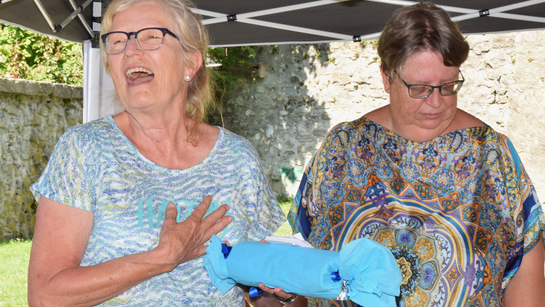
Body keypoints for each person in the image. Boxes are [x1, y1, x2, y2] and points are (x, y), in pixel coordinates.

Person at [27, 0, 287, 305]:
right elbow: (46, 296)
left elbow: (261, 291)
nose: (130, 51)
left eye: (151, 36)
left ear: (190, 62)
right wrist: (163, 257)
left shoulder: (238, 158)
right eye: (117, 40)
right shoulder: (84, 151)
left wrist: (280, 291)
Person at [288, 2, 545, 307]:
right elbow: (298, 266)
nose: (436, 102)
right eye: (420, 88)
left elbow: (525, 268)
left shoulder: (491, 155)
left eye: (448, 85)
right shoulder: (342, 149)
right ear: (386, 77)